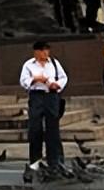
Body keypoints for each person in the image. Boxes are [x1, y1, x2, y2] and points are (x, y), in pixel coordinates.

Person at [19, 40, 69, 175]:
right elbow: (23, 81)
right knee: (35, 127)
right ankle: (35, 160)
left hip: (51, 96)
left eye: (47, 50)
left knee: (53, 127)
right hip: (37, 96)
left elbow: (63, 77)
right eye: (43, 50)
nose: (46, 53)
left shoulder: (54, 63)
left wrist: (57, 85)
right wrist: (35, 79)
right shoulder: (29, 65)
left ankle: (56, 160)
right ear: (36, 52)